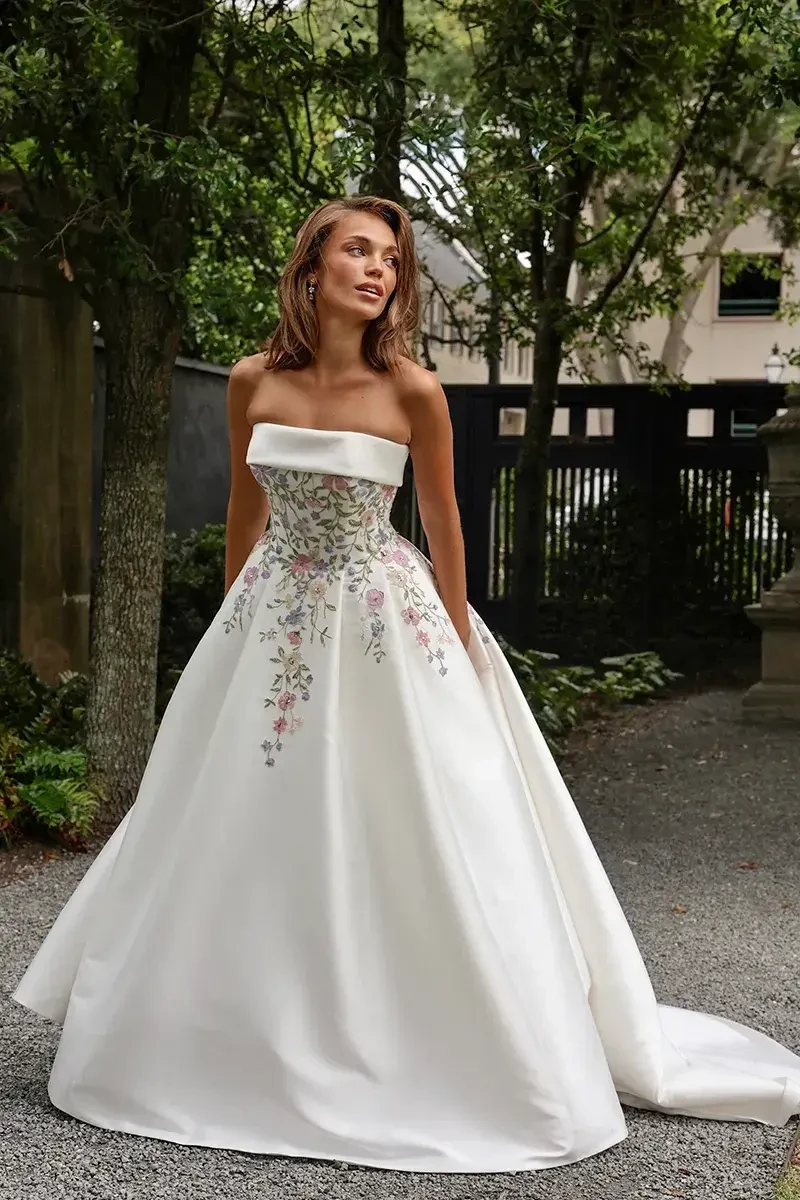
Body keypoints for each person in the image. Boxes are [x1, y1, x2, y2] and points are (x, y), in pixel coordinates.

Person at [13, 196, 800, 1175]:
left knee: (406, 815)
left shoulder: (414, 392)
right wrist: (232, 631)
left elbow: (443, 526)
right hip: (271, 620)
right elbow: (240, 519)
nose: (377, 269)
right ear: (312, 268)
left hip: (384, 618)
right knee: (238, 818)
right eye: (356, 250)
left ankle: (431, 1034)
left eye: (390, 257)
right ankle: (219, 1031)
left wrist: (462, 644)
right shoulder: (253, 380)